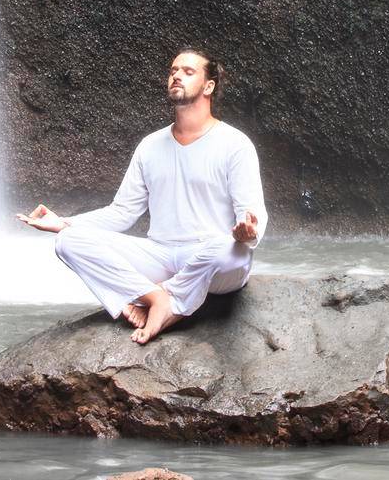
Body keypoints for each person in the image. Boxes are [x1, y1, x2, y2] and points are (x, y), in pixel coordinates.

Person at [17, 47, 266, 344]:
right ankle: (158, 298)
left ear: (209, 85)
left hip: (210, 256)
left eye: (188, 72)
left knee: (228, 251)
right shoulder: (150, 146)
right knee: (68, 242)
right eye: (173, 71)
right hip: (160, 254)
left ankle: (168, 300)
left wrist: (246, 233)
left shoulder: (234, 144)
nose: (176, 76)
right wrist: (64, 223)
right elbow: (121, 213)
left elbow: (252, 214)